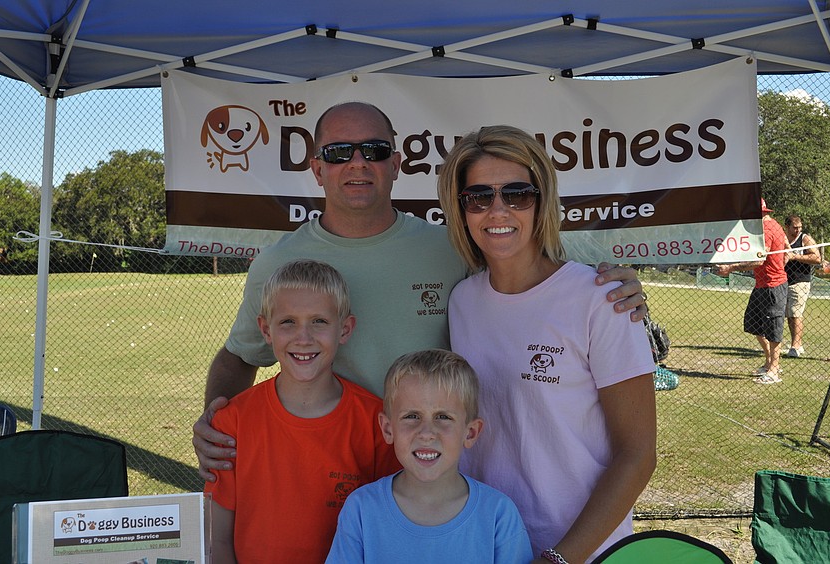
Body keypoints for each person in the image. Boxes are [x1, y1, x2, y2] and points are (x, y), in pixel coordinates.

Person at [194, 102, 648, 482]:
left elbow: (529, 266)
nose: (357, 163)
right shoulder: (277, 264)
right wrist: (216, 419)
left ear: (395, 164)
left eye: (374, 150)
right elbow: (239, 356)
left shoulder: (451, 250)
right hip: (324, 470)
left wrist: (612, 284)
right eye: (338, 152)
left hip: (432, 476)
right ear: (316, 168)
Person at [437, 125, 656, 564]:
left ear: (542, 202)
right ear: (460, 210)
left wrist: (560, 558)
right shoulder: (461, 302)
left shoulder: (601, 299)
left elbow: (637, 456)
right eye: (478, 197)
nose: (498, 210)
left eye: (517, 194)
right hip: (488, 543)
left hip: (581, 551)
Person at [205, 259, 401, 564]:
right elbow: (216, 537)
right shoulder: (233, 421)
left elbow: (388, 532)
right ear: (265, 330)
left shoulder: (376, 423)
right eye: (288, 322)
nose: (304, 338)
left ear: (345, 329)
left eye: (319, 321)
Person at [326, 349, 533, 563]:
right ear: (387, 429)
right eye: (412, 416)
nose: (426, 433)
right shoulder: (362, 509)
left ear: (470, 433)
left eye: (443, 417)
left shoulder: (498, 515)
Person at [715, 199, 788, 383]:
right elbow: (786, 249)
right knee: (754, 324)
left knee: (773, 329)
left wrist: (731, 268)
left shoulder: (767, 230)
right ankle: (769, 362)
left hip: (773, 286)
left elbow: (758, 260)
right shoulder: (771, 226)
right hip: (761, 284)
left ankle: (774, 371)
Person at [783, 214, 822, 357]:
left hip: (801, 281)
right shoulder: (783, 238)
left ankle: (795, 346)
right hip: (785, 281)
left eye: (800, 227)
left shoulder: (805, 239)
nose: (798, 230)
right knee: (789, 314)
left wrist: (795, 256)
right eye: (795, 227)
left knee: (796, 313)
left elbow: (817, 258)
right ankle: (797, 344)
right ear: (787, 226)